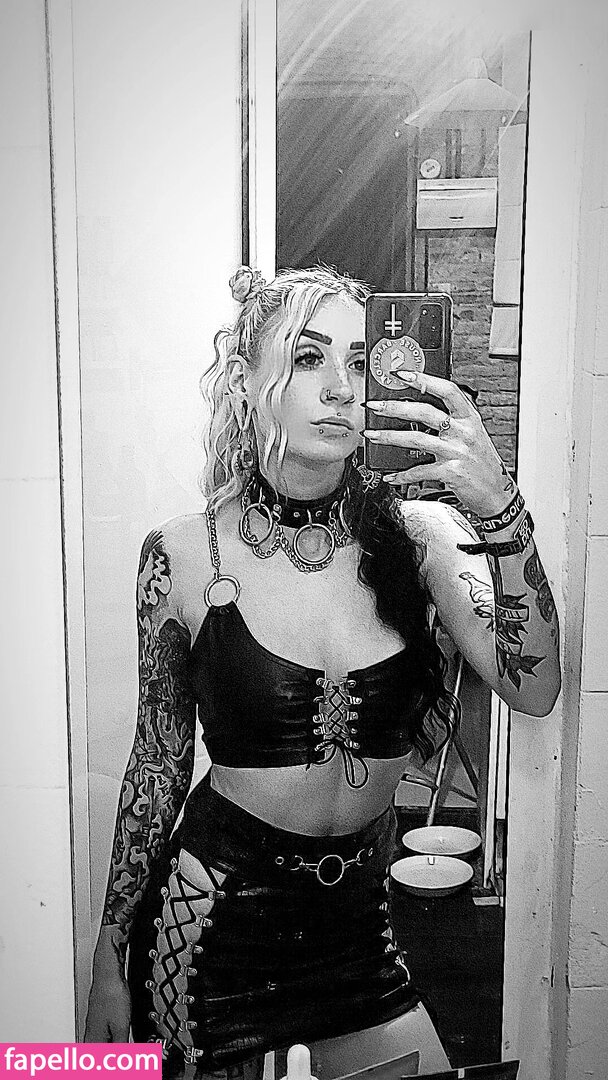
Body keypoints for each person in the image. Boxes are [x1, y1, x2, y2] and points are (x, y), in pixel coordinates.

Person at [85, 265, 561, 1077]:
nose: (342, 386)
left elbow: (535, 684)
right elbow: (157, 768)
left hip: (359, 933)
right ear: (246, 381)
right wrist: (108, 954)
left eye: (358, 359)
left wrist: (498, 507)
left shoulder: (421, 537)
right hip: (211, 926)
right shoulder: (183, 556)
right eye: (308, 358)